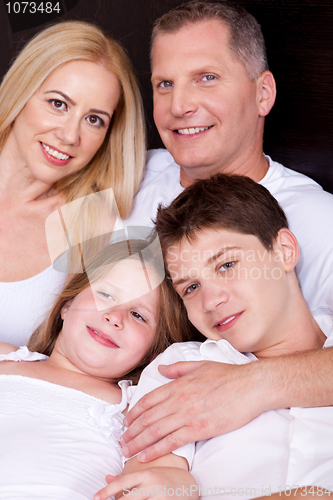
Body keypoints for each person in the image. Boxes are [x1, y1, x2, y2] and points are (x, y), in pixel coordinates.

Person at [120, 1, 333, 462]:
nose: (179, 106)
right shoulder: (131, 173)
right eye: (164, 84)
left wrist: (251, 385)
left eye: (207, 77)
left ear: (263, 93)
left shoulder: (314, 218)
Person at [96, 175, 333, 500]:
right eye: (191, 288)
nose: (210, 301)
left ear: (284, 251)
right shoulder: (181, 367)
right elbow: (151, 479)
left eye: (226, 265)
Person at [0, 237, 197, 499]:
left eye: (138, 315)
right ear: (67, 305)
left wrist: (181, 484)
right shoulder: (7, 359)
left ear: (151, 353)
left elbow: (168, 479)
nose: (114, 317)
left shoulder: (139, 407)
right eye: (105, 294)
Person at [0, 20, 146, 346]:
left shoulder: (93, 225)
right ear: (21, 91)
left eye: (94, 120)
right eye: (58, 104)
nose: (69, 136)